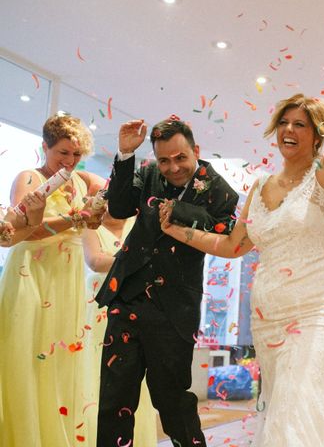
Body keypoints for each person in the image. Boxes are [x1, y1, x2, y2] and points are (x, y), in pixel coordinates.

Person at [160, 9, 324, 446]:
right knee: (296, 404)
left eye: (301, 124)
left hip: (322, 310)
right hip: (270, 320)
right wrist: (175, 231)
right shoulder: (259, 186)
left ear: (318, 137)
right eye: (284, 121)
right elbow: (231, 245)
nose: (289, 129)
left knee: (301, 401)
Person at [94, 116, 239, 446]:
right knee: (114, 400)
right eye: (164, 160)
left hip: (174, 310)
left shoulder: (221, 191)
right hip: (127, 298)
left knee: (173, 402)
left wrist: (180, 211)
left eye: (180, 158)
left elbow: (226, 232)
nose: (172, 168)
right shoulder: (146, 173)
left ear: (196, 151)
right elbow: (118, 208)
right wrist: (125, 156)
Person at [0, 113, 105, 447]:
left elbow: (104, 196)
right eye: (62, 152)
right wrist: (74, 218)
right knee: (27, 350)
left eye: (75, 154)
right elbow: (21, 231)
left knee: (61, 356)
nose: (70, 161)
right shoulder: (29, 178)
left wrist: (94, 213)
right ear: (44, 147)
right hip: (33, 269)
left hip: (68, 273)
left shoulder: (79, 181)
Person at [82, 210, 157, 446]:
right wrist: (138, 262)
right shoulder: (91, 226)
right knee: (100, 371)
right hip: (100, 308)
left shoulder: (139, 223)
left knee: (134, 372)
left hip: (136, 305)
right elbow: (95, 261)